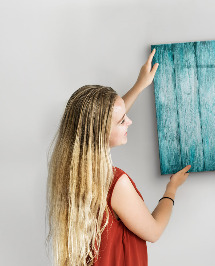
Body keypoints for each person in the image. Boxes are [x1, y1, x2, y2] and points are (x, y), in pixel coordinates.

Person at [47, 49, 191, 266]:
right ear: (101, 131)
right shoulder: (115, 183)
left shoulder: (69, 172)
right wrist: (172, 188)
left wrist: (140, 84)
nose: (130, 122)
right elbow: (153, 231)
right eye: (122, 121)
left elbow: (104, 119)